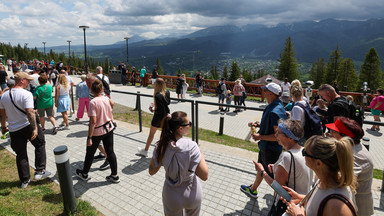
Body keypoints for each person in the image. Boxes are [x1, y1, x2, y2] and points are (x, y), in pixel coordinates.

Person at [149, 111, 208, 216]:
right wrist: (201, 153)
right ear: (180, 128)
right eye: (188, 123)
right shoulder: (192, 146)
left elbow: (151, 171)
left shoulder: (161, 146)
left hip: (171, 195)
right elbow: (204, 175)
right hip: (192, 193)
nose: (190, 125)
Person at [0, 72, 51, 188]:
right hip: (27, 125)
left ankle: (24, 180)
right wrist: (35, 129)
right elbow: (29, 112)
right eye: (27, 80)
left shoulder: (4, 96)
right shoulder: (26, 94)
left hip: (14, 129)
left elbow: (2, 115)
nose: (29, 82)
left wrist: (3, 127)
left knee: (21, 154)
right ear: (22, 80)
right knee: (40, 144)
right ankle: (40, 170)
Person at [251, 119, 313, 215]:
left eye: (278, 133)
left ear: (290, 138)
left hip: (289, 206)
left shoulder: (287, 156)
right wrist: (276, 168)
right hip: (303, 204)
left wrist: (262, 171)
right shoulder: (304, 151)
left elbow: (278, 188)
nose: (276, 136)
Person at [283, 136, 357, 216]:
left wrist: (297, 214)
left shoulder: (336, 205)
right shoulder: (323, 180)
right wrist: (300, 197)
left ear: (318, 163)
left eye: (305, 152)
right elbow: (321, 202)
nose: (303, 154)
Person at [240, 82, 287, 198]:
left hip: (270, 150)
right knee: (260, 168)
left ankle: (281, 199)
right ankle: (252, 189)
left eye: (265, 91)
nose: (263, 92)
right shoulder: (277, 105)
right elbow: (271, 126)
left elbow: (277, 136)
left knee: (273, 178)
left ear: (270, 94)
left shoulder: (274, 112)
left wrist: (259, 137)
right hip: (266, 148)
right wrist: (258, 124)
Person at [325, 117, 374, 216]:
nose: (330, 133)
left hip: (357, 209)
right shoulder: (353, 146)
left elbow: (347, 184)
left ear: (344, 136)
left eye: (333, 131)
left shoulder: (354, 156)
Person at [76, 79, 119, 183]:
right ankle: (114, 175)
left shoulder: (93, 102)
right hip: (109, 128)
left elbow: (93, 121)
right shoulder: (106, 99)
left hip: (98, 131)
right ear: (102, 89)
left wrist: (89, 137)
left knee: (90, 153)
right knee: (110, 152)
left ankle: (84, 173)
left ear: (91, 90)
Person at [137, 78, 170, 157]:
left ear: (157, 85)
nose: (153, 84)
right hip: (166, 116)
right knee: (165, 136)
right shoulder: (167, 92)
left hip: (158, 118)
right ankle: (165, 153)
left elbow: (160, 111)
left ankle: (145, 150)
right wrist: (156, 105)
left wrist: (152, 109)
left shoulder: (157, 95)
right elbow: (167, 103)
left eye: (155, 83)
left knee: (151, 135)